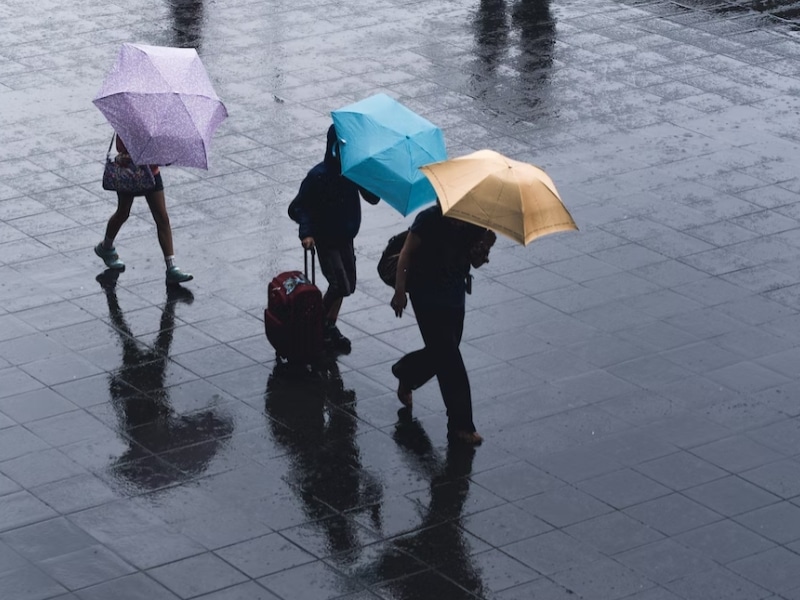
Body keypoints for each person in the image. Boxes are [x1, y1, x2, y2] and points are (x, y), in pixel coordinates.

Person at [390, 203, 496, 446]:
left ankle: (406, 371)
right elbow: (406, 253)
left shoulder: (474, 222)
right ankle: (461, 425)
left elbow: (475, 261)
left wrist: (485, 246)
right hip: (427, 297)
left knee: (444, 352)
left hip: (454, 296)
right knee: (450, 360)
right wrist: (400, 290)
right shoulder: (427, 220)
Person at [289, 125, 380, 350]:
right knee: (339, 284)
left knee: (347, 286)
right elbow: (299, 207)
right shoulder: (318, 176)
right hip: (327, 240)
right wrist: (307, 233)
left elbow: (372, 197)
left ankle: (328, 325)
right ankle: (316, 324)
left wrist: (369, 175)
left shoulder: (352, 173)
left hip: (346, 238)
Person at [94, 133, 193, 285]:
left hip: (152, 173)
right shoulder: (126, 121)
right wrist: (123, 157)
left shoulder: (156, 124)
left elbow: (162, 152)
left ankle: (171, 267)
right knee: (123, 212)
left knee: (162, 217)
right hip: (130, 173)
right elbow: (120, 149)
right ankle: (106, 247)